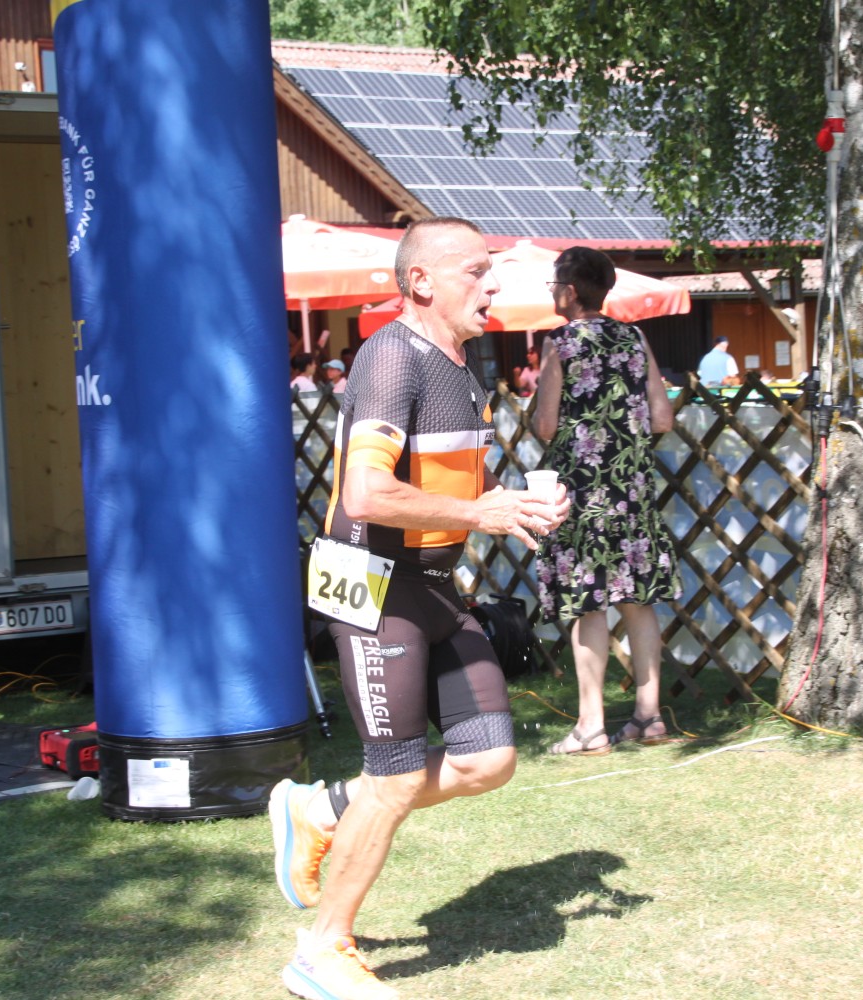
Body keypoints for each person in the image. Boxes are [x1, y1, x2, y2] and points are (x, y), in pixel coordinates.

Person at [271, 216, 571, 999]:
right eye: (476, 271)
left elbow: (450, 483)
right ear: (421, 282)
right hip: (373, 588)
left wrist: (512, 503)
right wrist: (479, 515)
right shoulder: (389, 357)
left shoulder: (461, 364)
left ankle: (324, 809)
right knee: (397, 777)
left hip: (435, 585)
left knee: (488, 761)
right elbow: (366, 493)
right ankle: (322, 951)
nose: (493, 284)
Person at [532, 246, 681, 755]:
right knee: (638, 602)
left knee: (587, 604)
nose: (552, 293)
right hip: (632, 491)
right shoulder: (635, 337)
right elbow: (662, 418)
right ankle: (649, 717)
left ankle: (591, 727)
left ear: (571, 291)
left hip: (581, 494)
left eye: (554, 284)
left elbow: (545, 426)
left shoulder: (560, 343)